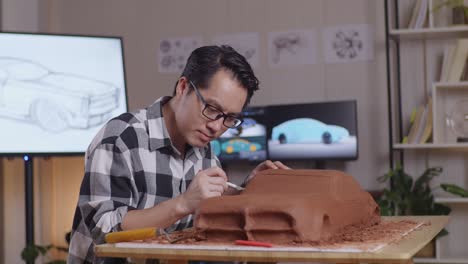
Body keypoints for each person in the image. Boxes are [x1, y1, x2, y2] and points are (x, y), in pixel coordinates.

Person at [68, 45, 289, 264]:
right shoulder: (122, 137)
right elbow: (103, 230)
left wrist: (247, 190)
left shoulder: (206, 151)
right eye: (211, 109)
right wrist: (182, 204)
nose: (216, 127)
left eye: (229, 118)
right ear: (183, 87)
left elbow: (205, 211)